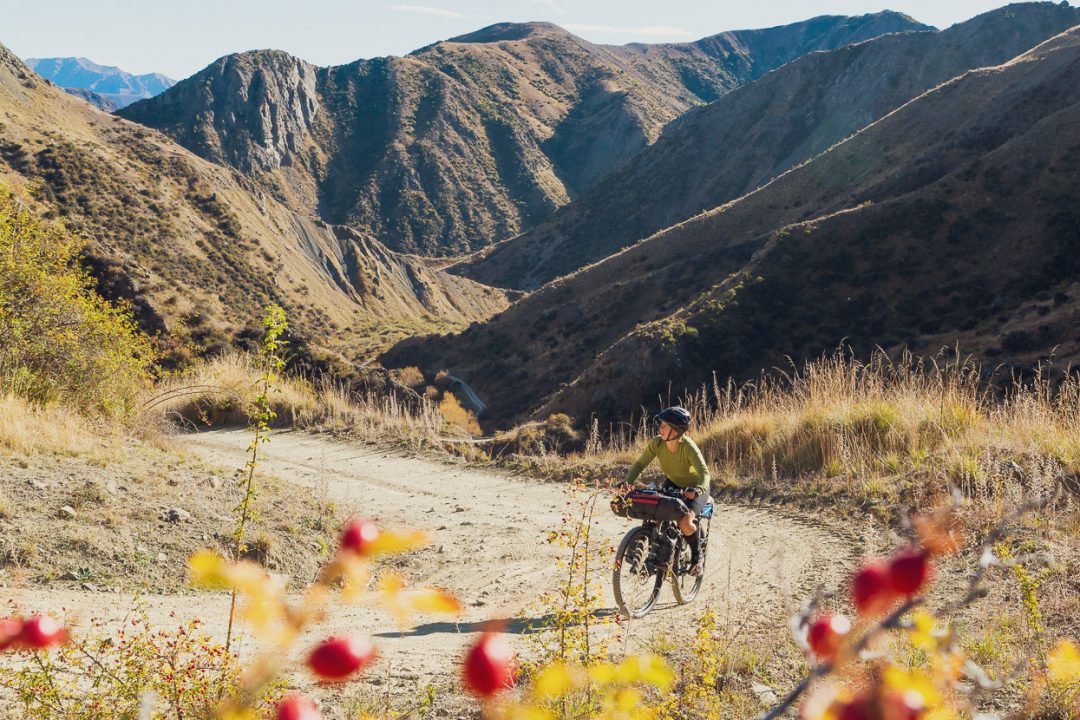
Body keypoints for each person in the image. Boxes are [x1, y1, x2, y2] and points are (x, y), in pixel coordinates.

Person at [623, 406, 711, 576]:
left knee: (685, 521)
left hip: (695, 488)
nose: (660, 428)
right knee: (655, 512)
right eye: (661, 425)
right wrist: (627, 483)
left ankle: (697, 560)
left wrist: (698, 489)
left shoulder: (688, 447)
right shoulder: (657, 443)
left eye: (664, 425)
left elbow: (704, 473)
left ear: (676, 430)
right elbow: (640, 465)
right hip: (673, 483)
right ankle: (654, 553)